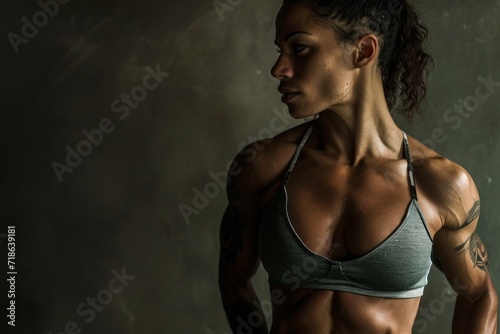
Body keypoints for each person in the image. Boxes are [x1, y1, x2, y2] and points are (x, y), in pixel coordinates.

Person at [218, 0, 498, 333]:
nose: (279, 68)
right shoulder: (262, 169)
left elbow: (478, 293)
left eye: (299, 48)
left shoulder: (440, 184)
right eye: (281, 50)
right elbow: (233, 283)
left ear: (363, 51)